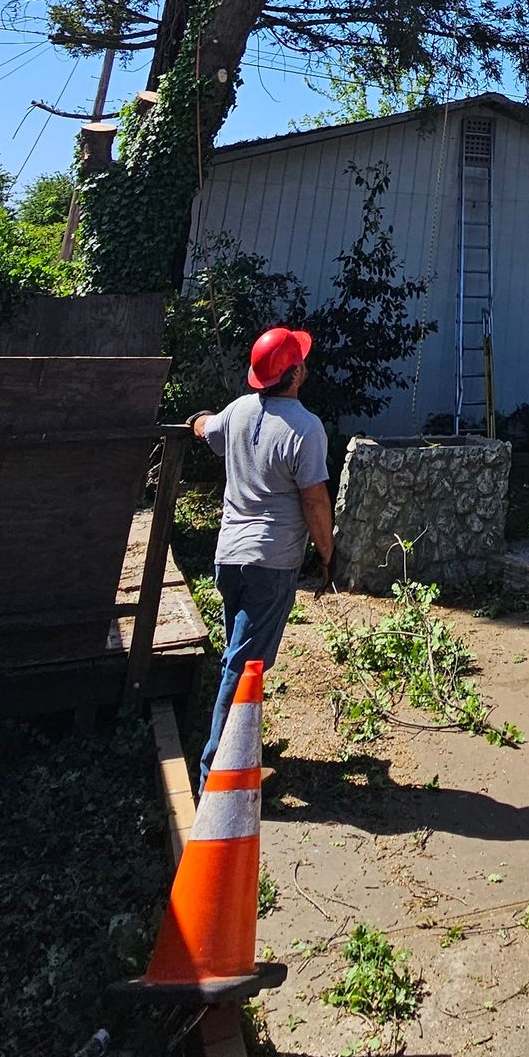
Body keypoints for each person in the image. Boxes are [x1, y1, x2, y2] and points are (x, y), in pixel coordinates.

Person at [191, 323, 335, 788]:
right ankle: (216, 774)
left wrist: (199, 418)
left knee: (240, 655)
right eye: (302, 360)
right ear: (293, 374)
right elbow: (314, 501)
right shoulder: (306, 428)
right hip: (270, 562)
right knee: (245, 664)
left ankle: (240, 745)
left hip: (229, 557)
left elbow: (204, 429)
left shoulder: (236, 412)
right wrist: (329, 554)